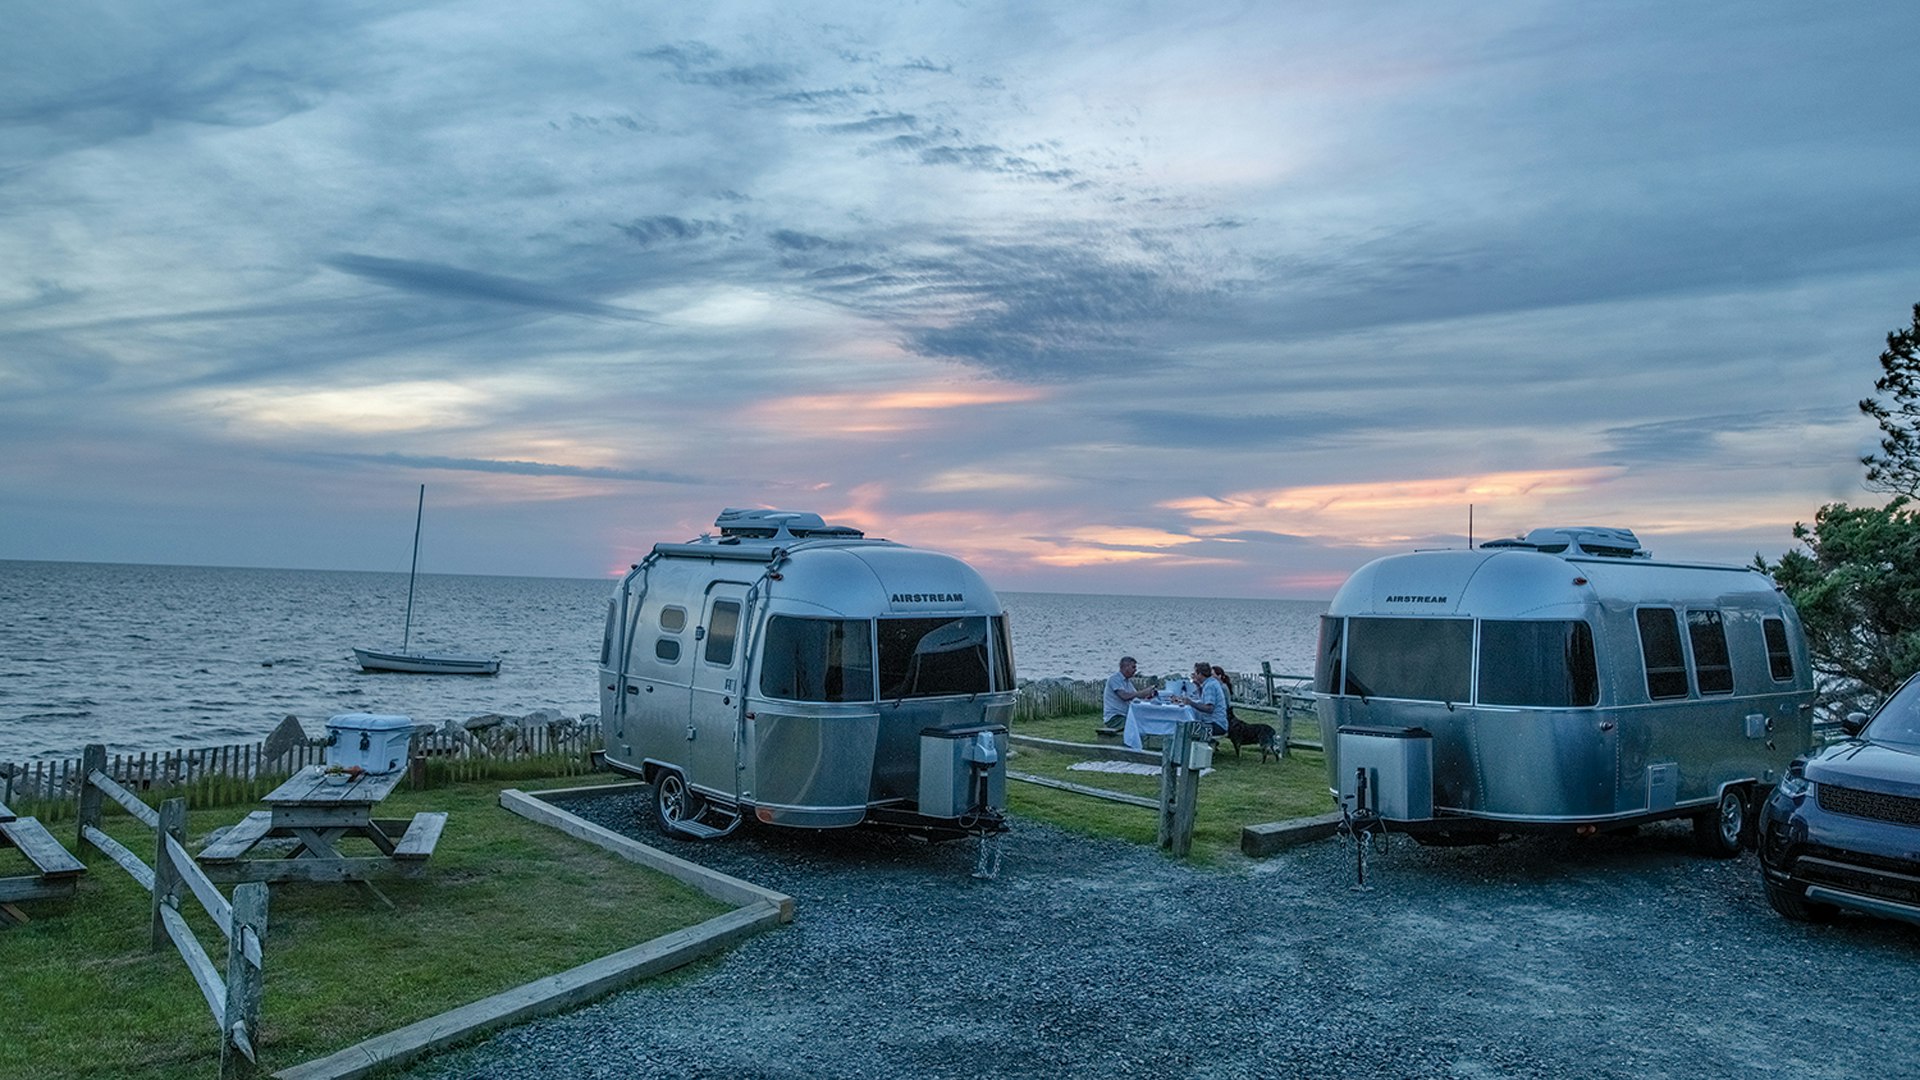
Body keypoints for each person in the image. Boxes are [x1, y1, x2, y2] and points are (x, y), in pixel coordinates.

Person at [1100, 656, 1155, 734]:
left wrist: (1149, 696)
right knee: (1137, 725)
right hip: (1115, 718)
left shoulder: (1127, 682)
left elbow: (1136, 697)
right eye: (1133, 667)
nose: (1135, 670)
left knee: (1144, 721)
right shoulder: (1114, 679)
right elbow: (1125, 696)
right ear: (1126, 667)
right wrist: (1142, 692)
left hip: (1125, 716)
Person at [1180, 660, 1230, 736]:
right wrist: (1198, 685)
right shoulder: (1211, 683)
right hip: (1217, 723)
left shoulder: (1210, 686)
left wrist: (1191, 703)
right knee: (1187, 727)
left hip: (1215, 724)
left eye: (1195, 673)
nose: (1194, 675)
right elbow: (1205, 701)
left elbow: (1209, 709)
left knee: (1186, 730)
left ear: (1200, 674)